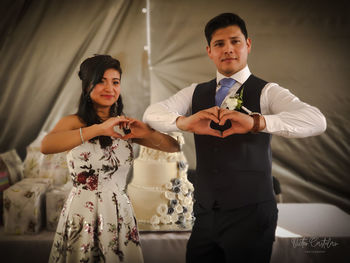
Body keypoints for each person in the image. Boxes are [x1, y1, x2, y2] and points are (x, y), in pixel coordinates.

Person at [143, 13, 327, 263]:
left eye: (235, 41)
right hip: (206, 213)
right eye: (219, 44)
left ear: (248, 45)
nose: (228, 49)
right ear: (209, 51)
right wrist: (183, 122)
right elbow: (151, 113)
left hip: (251, 214)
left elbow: (316, 120)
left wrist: (258, 122)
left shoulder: (267, 91)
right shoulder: (195, 92)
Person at [41, 54, 179, 263]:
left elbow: (173, 146)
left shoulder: (125, 126)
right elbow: (46, 146)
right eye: (101, 81)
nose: (109, 88)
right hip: (82, 210)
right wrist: (98, 129)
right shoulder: (73, 122)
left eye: (115, 82)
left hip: (118, 211)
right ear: (87, 86)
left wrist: (147, 132)